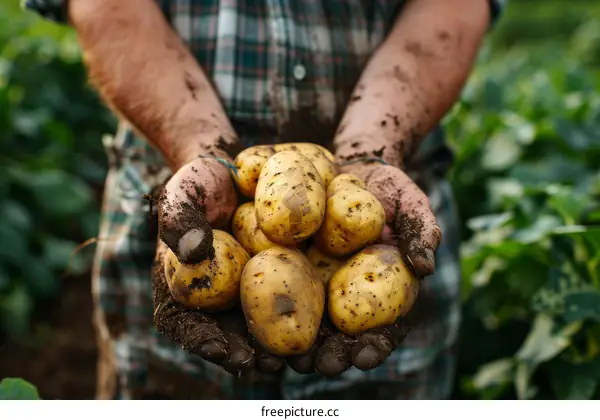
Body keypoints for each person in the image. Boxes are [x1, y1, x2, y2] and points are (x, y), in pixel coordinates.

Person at [25, 0, 506, 400]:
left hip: (392, 212)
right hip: (169, 202)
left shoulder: (345, 211)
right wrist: (200, 146)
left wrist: (373, 149)